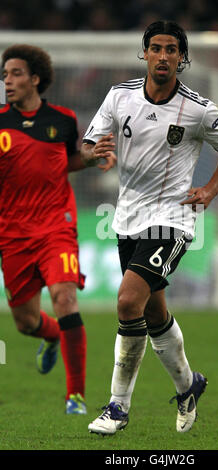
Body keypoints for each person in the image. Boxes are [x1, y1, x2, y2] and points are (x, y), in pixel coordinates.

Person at [81, 20, 218, 434]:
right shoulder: (119, 96)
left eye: (172, 49)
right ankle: (189, 386)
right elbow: (88, 143)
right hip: (126, 218)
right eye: (157, 48)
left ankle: (117, 408)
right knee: (153, 313)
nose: (164, 56)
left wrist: (209, 189)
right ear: (146, 53)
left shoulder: (198, 109)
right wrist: (94, 154)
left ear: (182, 58)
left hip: (171, 219)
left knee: (126, 303)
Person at [0, 44, 115, 414]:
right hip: (13, 232)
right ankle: (51, 336)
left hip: (55, 226)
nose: (7, 81)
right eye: (4, 75)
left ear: (36, 78)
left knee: (65, 297)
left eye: (15, 73)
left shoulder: (63, 120)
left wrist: (92, 156)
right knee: (26, 321)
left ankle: (75, 396)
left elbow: (64, 162)